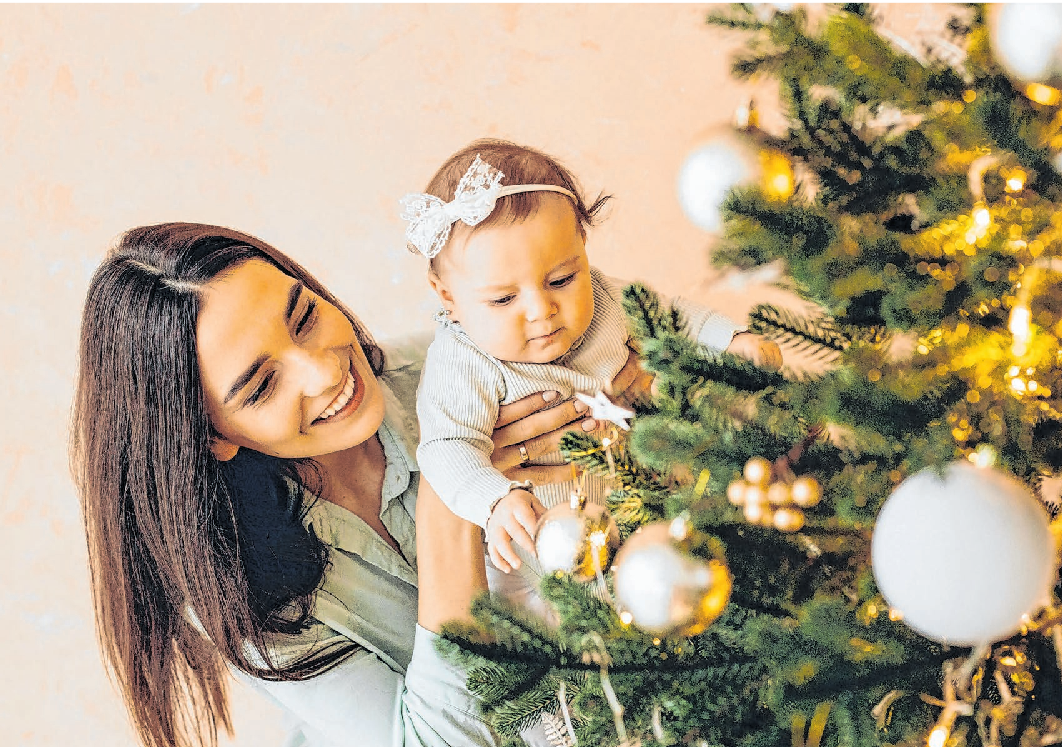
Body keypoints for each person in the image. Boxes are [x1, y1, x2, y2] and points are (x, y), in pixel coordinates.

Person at [70, 223, 646, 747]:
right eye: (262, 385)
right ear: (211, 436)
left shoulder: (467, 372)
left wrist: (652, 410)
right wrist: (455, 486)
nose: (324, 371)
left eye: (303, 318)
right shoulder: (234, 586)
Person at [401, 139, 783, 581]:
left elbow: (673, 318)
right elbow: (447, 447)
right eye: (504, 298)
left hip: (660, 499)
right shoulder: (461, 362)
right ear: (448, 296)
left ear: (583, 246)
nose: (541, 310)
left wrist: (731, 341)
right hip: (557, 554)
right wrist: (494, 499)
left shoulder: (607, 299)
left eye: (562, 279)